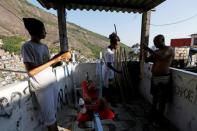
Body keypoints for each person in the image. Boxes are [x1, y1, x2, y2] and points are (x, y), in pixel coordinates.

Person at [21, 18, 59, 131]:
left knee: (53, 115)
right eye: (43, 29)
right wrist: (52, 61)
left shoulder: (45, 47)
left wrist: (57, 61)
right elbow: (31, 72)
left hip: (52, 83)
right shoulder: (27, 47)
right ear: (37, 31)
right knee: (50, 119)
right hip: (42, 87)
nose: (45, 32)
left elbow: (47, 66)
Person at [145, 34, 175, 126]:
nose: (155, 44)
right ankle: (153, 115)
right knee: (154, 98)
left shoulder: (169, 49)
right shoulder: (157, 51)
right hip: (155, 77)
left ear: (162, 40)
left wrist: (149, 50)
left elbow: (162, 58)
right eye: (154, 42)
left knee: (162, 101)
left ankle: (159, 120)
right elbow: (147, 60)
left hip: (164, 78)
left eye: (156, 42)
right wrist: (146, 53)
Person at [102, 32, 121, 105]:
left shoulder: (108, 49)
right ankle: (108, 102)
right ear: (113, 43)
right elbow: (109, 64)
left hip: (107, 70)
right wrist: (117, 71)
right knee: (109, 88)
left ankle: (107, 101)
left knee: (108, 87)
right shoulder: (109, 52)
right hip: (108, 71)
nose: (118, 46)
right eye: (117, 44)